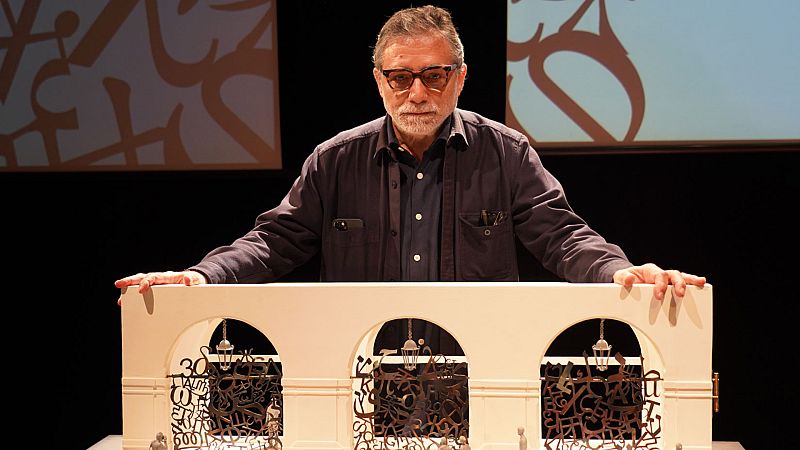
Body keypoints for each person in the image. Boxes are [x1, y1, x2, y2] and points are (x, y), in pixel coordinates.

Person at [115, 5, 705, 301]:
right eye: (400, 78)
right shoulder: (335, 160)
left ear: (460, 78)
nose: (416, 93)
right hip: (359, 375)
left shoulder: (506, 153)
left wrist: (620, 271)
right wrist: (200, 276)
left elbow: (561, 235)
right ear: (379, 82)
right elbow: (274, 240)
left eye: (433, 75)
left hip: (479, 371)